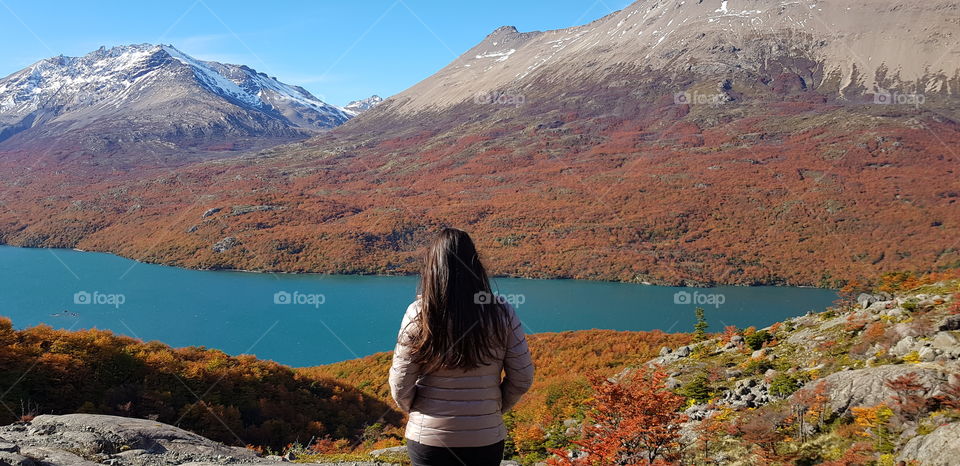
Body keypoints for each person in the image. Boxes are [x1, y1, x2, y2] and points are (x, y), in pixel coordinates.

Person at [389, 228, 534, 466]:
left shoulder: (419, 314)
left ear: (432, 268)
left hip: (429, 441)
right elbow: (523, 377)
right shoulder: (500, 312)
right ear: (476, 265)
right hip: (485, 438)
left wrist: (418, 411)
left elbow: (400, 384)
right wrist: (494, 408)